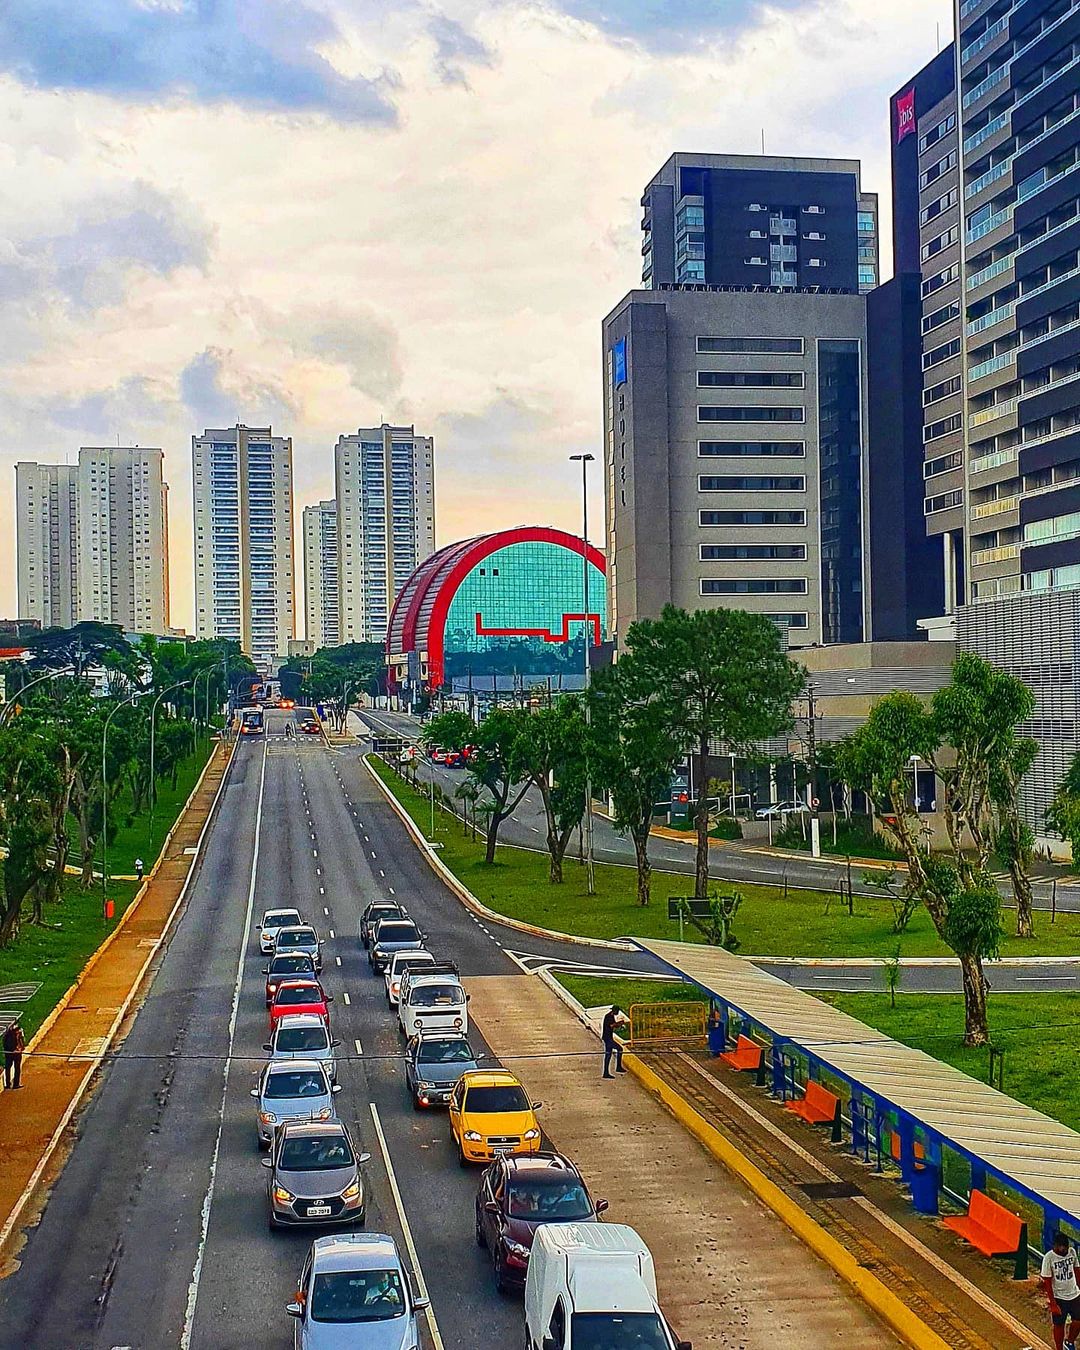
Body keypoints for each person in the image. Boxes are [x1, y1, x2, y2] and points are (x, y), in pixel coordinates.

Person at [1042, 1231, 1080, 1350]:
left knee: (1078, 1321)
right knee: (1059, 1325)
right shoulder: (1049, 1258)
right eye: (1061, 1246)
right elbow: (1047, 1281)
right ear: (1055, 1245)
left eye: (1065, 1247)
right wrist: (1053, 1303)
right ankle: (1059, 1348)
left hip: (1074, 1294)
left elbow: (1077, 1270)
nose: (1063, 1249)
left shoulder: (1072, 1252)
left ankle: (1069, 1342)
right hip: (1059, 1297)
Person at [601, 1005, 628, 1078]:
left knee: (609, 1054)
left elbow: (614, 1026)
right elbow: (612, 1025)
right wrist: (620, 1023)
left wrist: (619, 1025)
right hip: (607, 1038)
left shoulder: (611, 1016)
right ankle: (615, 1068)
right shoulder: (608, 1017)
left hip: (609, 1037)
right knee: (618, 1050)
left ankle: (607, 1071)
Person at [3, 1019, 25, 1089]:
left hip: (15, 1053)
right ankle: (10, 1084)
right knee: (9, 1068)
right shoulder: (9, 1035)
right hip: (11, 1053)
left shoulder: (15, 1033)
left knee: (15, 1068)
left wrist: (21, 1048)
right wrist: (14, 1050)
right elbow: (6, 1044)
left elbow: (21, 1042)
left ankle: (14, 1084)